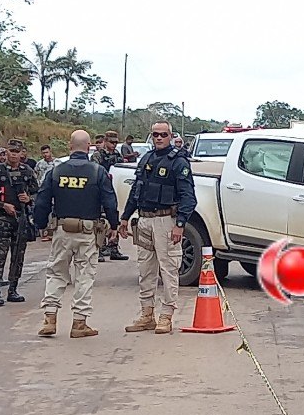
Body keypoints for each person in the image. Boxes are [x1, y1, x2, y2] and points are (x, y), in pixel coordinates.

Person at [33, 130, 120, 338]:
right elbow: (110, 201)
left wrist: (41, 224)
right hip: (88, 233)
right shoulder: (98, 172)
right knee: (84, 276)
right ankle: (79, 323)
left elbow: (42, 201)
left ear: (69, 146)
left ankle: (50, 318)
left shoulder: (56, 171)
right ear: (89, 146)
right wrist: (114, 225)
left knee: (56, 272)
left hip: (62, 230)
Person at [119, 122, 197, 334]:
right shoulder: (146, 158)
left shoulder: (178, 162)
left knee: (169, 269)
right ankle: (147, 315)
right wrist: (125, 217)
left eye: (163, 134)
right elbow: (136, 191)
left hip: (166, 221)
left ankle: (166, 316)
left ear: (170, 136)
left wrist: (180, 224)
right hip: (144, 220)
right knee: (145, 269)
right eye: (155, 134)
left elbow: (188, 197)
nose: (159, 138)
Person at [0, 139, 38, 307]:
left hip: (21, 218)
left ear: (22, 153)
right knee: (0, 255)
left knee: (18, 256)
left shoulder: (27, 171)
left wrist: (28, 199)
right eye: (11, 151)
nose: (13, 155)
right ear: (6, 152)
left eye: (17, 152)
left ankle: (13, 290)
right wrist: (2, 205)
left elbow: (38, 192)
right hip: (2, 219)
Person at [91, 130, 129, 261]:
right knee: (101, 221)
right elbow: (95, 172)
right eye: (112, 142)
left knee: (114, 217)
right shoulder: (98, 155)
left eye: (116, 143)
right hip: (100, 192)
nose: (114, 145)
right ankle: (100, 249)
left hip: (114, 189)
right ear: (105, 141)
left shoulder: (117, 155)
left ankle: (114, 248)